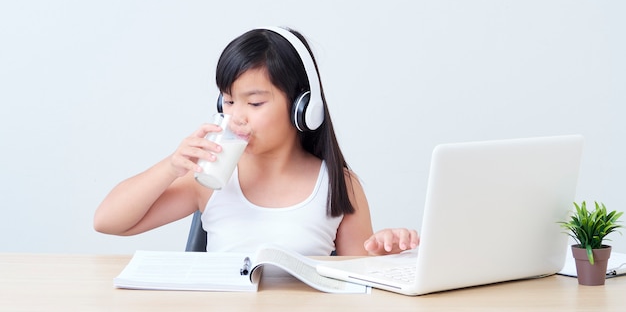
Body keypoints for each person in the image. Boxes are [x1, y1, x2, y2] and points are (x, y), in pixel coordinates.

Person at [94, 27, 419, 256]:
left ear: (303, 109)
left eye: (255, 103)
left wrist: (384, 251)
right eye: (229, 101)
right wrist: (171, 166)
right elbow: (108, 222)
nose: (237, 117)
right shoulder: (210, 178)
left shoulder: (337, 185)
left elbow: (355, 280)